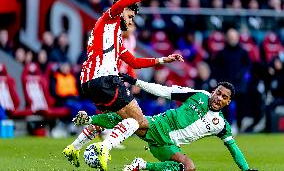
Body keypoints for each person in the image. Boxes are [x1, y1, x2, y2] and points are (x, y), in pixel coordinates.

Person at [62, 0, 184, 170]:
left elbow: (134, 61)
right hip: (105, 79)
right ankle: (104, 147)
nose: (130, 22)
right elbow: (123, 2)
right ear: (123, 11)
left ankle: (73, 147)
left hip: (89, 82)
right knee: (139, 121)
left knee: (109, 119)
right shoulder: (109, 18)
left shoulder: (113, 36)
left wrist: (162, 60)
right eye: (130, 16)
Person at [73, 73, 258, 171]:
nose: (218, 98)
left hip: (168, 145)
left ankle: (142, 165)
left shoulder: (221, 125)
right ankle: (90, 119)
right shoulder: (199, 95)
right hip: (159, 126)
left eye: (223, 97)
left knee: (188, 167)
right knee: (131, 119)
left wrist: (246, 169)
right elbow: (164, 91)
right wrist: (136, 82)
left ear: (228, 102)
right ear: (214, 91)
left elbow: (233, 148)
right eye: (218, 92)